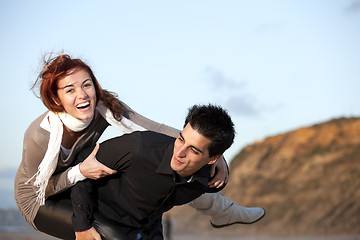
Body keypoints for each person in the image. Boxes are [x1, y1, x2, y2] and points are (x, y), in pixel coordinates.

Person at [14, 54, 265, 239]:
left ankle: (222, 210)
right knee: (110, 235)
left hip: (81, 180)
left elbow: (154, 129)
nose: (82, 95)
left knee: (172, 161)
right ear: (56, 98)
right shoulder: (40, 136)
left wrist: (212, 151)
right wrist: (80, 172)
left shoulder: (104, 107)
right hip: (39, 199)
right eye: (70, 90)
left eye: (86, 84)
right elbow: (40, 189)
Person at [71, 104, 236, 240]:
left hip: (147, 224)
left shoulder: (211, 180)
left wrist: (223, 164)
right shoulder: (139, 147)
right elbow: (83, 161)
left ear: (212, 159)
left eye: (193, 150)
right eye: (181, 139)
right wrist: (82, 226)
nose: (179, 153)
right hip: (99, 212)